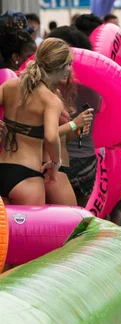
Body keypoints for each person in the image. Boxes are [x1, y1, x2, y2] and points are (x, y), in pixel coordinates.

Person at [0, 38, 69, 205]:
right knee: (32, 231)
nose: (69, 69)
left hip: (2, 169)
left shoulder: (9, 85)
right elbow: (51, 137)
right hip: (27, 177)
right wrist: (55, 163)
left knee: (4, 231)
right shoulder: (51, 100)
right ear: (58, 66)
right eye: (68, 64)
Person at [45, 26, 97, 206]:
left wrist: (76, 128)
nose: (67, 67)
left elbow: (54, 136)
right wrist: (75, 124)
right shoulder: (46, 95)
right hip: (56, 166)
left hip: (60, 163)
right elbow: (49, 134)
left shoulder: (43, 90)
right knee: (74, 221)